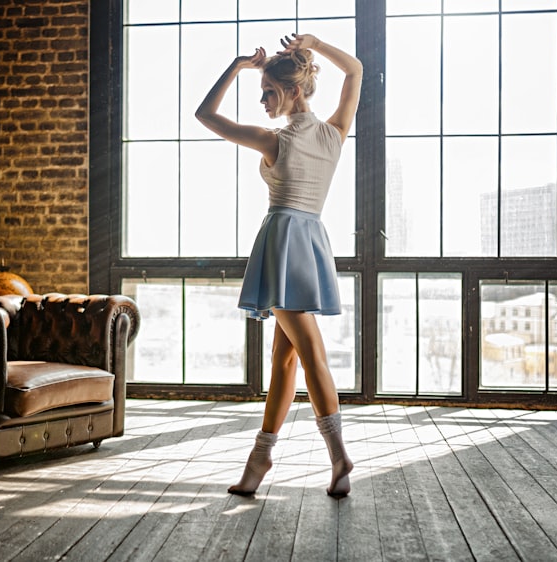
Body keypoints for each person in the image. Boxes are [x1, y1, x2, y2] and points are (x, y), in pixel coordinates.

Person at [195, 33, 363, 498]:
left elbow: (205, 116)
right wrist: (315, 44)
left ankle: (338, 456)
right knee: (283, 359)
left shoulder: (273, 140)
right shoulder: (334, 133)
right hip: (308, 242)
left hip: (284, 243)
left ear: (292, 91)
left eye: (268, 91)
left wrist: (236, 66)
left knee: (309, 354)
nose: (263, 99)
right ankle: (261, 458)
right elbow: (355, 71)